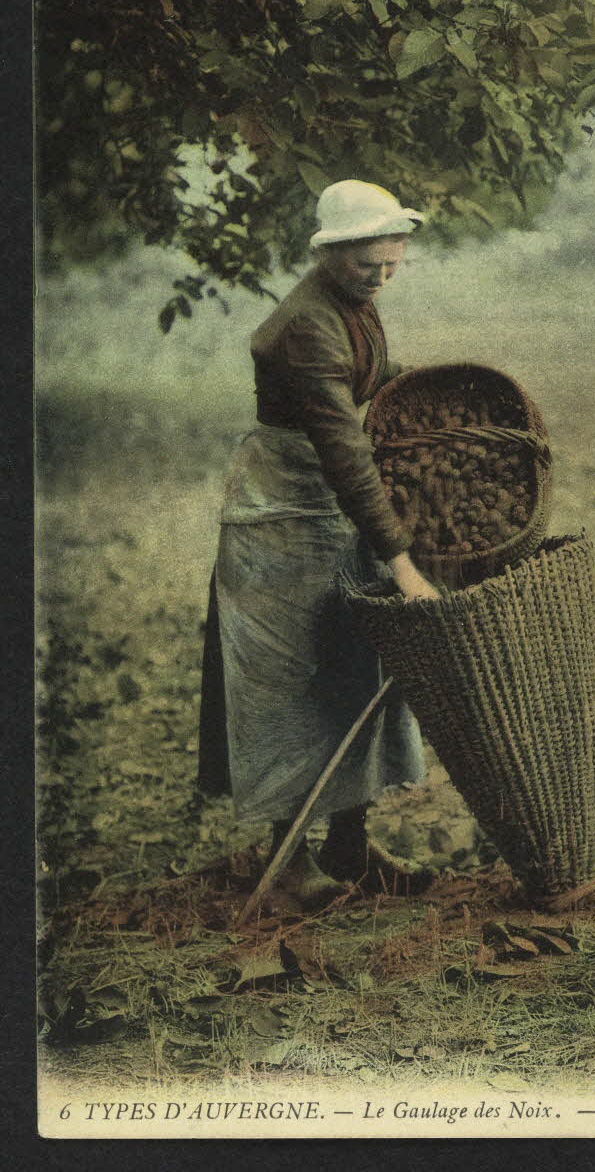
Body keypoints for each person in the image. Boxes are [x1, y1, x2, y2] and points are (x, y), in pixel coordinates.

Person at [197, 180, 440, 909]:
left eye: (392, 264)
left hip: (332, 509)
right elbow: (343, 449)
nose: (381, 277)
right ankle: (288, 861)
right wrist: (402, 563)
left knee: (352, 665)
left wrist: (430, 386)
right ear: (331, 252)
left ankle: (348, 845)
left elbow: (372, 378)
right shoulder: (306, 324)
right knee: (290, 683)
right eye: (369, 265)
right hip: (282, 514)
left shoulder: (352, 303)